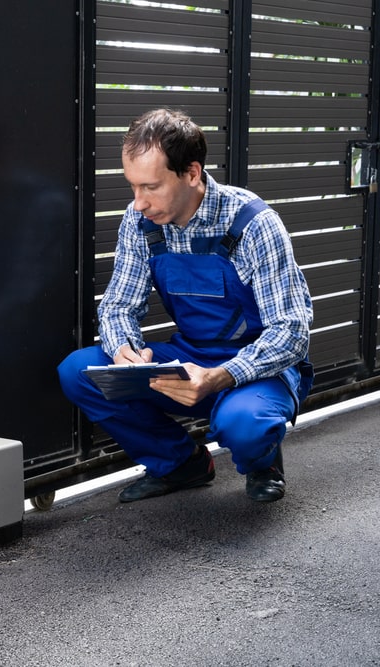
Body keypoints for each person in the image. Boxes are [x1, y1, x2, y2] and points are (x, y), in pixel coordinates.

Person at [57, 108, 314, 503]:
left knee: (245, 425)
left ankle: (262, 461)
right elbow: (118, 305)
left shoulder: (253, 223)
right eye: (133, 187)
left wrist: (222, 376)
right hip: (189, 356)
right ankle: (181, 464)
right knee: (79, 371)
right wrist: (125, 351)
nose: (138, 202)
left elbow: (292, 332)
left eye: (150, 187)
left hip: (259, 368)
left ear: (191, 173)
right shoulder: (140, 222)